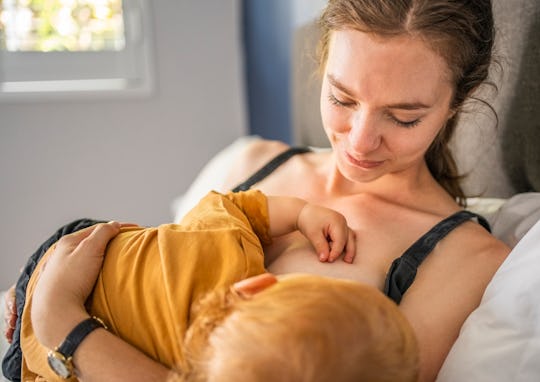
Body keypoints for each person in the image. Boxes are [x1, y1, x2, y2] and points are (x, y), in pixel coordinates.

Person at [4, 0, 511, 381]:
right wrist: (37, 289)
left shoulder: (462, 257)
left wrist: (61, 322)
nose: (359, 141)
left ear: (456, 100)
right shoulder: (257, 164)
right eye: (341, 97)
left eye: (404, 117)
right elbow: (153, 290)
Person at [12, 190, 418, 382]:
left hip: (62, 291)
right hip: (68, 268)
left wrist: (300, 213)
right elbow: (243, 208)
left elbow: (242, 208)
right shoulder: (228, 244)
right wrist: (303, 211)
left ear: (258, 286)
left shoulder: (232, 248)